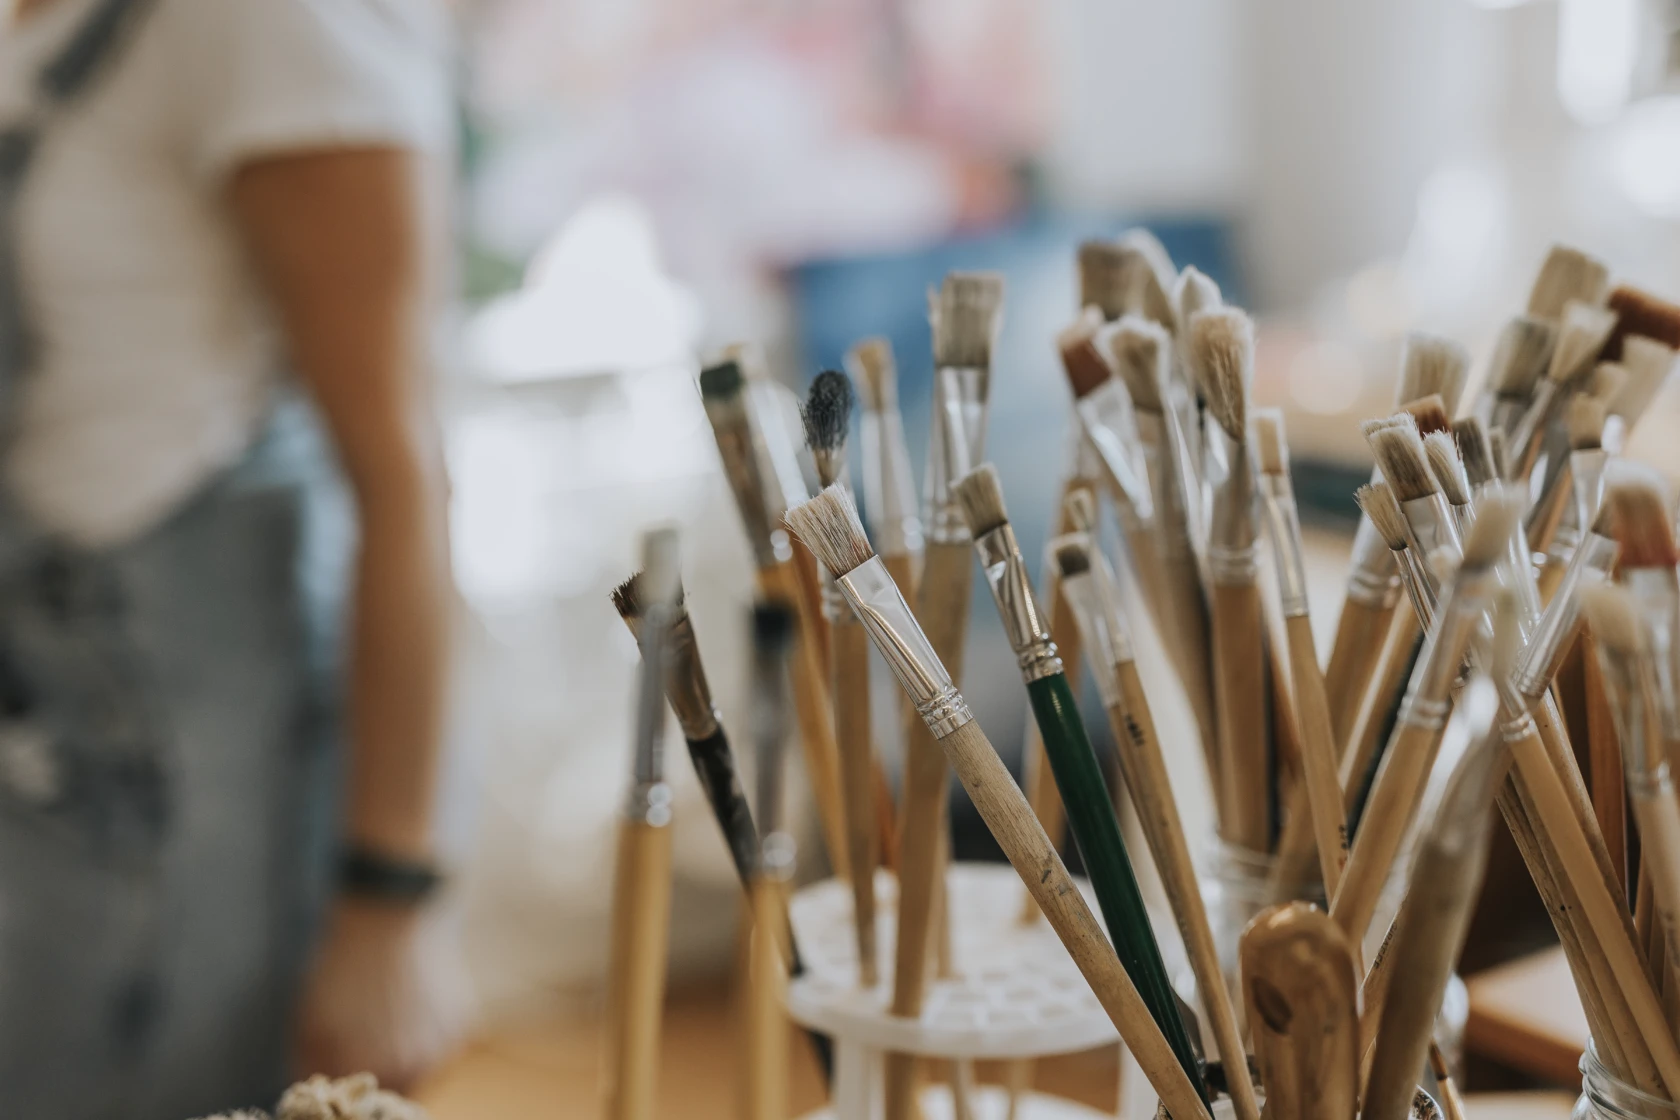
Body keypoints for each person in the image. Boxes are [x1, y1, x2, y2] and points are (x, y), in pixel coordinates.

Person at [0, 1, 463, 1116]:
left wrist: (387, 901)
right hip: (41, 726)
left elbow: (403, 477)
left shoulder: (266, 21)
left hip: (173, 766)